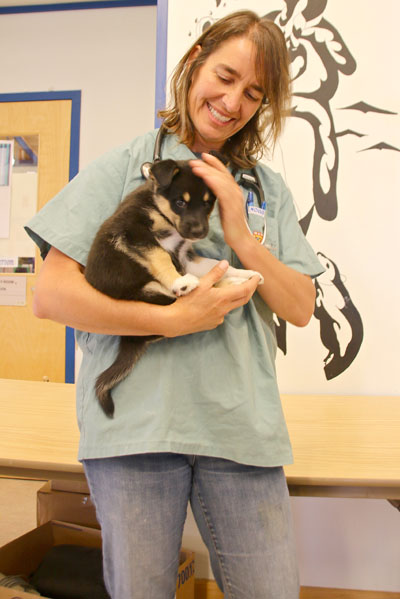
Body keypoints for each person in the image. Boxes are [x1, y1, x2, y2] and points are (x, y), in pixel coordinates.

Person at [26, 10, 324, 599]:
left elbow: (300, 306)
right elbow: (51, 294)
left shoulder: (265, 189)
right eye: (225, 75)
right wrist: (171, 320)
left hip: (240, 431)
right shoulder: (123, 167)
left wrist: (240, 233)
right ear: (194, 64)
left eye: (253, 93)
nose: (232, 100)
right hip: (138, 428)